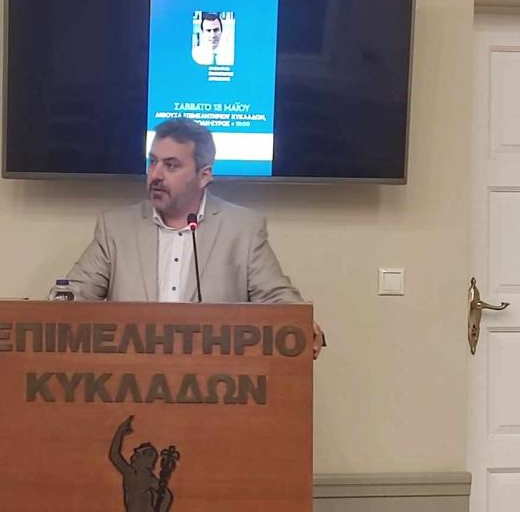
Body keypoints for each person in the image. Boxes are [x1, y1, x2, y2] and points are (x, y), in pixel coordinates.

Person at [65, 117, 326, 358]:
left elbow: (275, 297)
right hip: (130, 379)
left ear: (204, 176)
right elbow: (72, 297)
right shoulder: (116, 228)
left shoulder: (242, 229)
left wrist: (301, 323)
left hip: (213, 380)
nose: (156, 175)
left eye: (171, 165)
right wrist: (57, 305)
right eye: (152, 162)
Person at [109, 416, 173, 512]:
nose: (133, 457)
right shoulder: (132, 475)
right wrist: (120, 431)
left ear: (147, 460)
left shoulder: (147, 478)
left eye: (137, 455)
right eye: (135, 454)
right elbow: (114, 455)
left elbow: (167, 496)